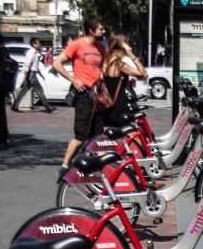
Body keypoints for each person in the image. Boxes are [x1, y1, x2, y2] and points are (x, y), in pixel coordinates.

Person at [53, 15, 106, 176]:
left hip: (98, 97)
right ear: (91, 30)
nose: (103, 31)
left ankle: (105, 169)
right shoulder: (77, 45)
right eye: (101, 28)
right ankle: (64, 167)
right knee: (81, 135)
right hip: (84, 96)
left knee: (98, 136)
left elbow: (102, 68)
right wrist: (73, 80)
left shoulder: (101, 47)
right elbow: (56, 63)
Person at [101, 33, 147, 126]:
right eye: (127, 42)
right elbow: (143, 74)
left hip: (107, 105)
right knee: (132, 134)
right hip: (119, 106)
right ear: (122, 46)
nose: (129, 44)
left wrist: (125, 82)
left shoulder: (106, 60)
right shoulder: (120, 64)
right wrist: (132, 55)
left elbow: (111, 82)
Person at [12, 37, 53, 113]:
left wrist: (41, 75)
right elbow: (27, 65)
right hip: (31, 74)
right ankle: (47, 107)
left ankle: (15, 106)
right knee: (39, 90)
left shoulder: (36, 53)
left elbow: (35, 66)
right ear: (34, 44)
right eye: (38, 43)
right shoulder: (31, 52)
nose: (40, 44)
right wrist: (25, 77)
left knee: (23, 91)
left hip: (32, 74)